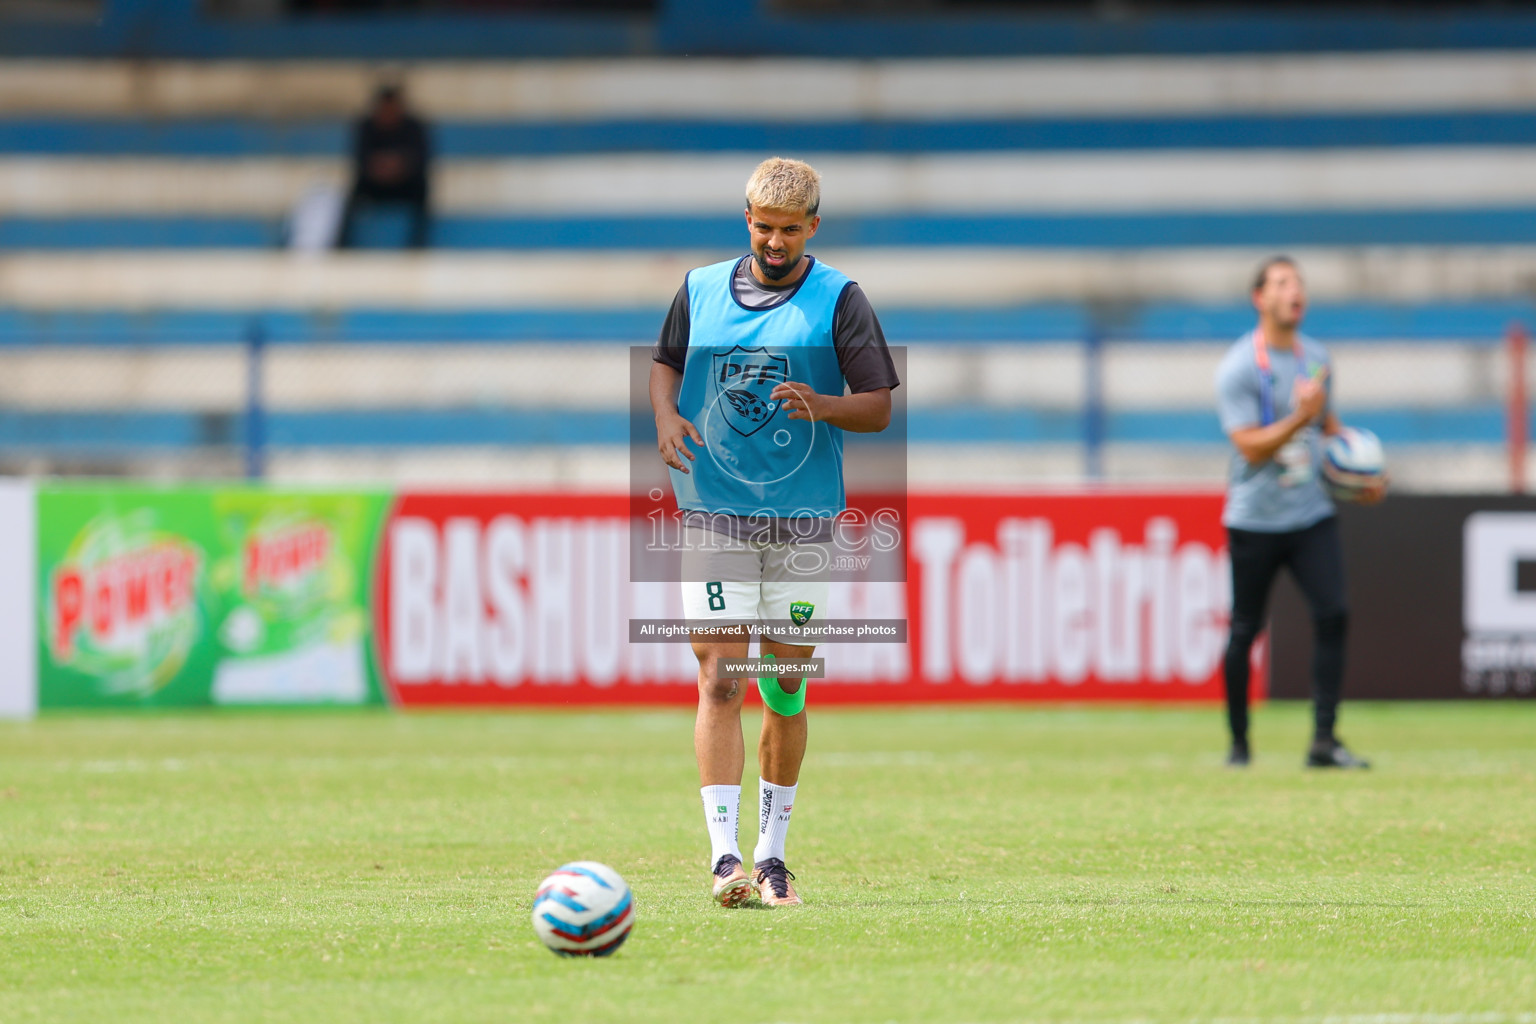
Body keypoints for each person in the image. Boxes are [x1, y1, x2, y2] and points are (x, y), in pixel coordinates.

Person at [650, 158, 900, 907]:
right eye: (764, 227)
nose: (776, 241)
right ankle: (726, 858)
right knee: (722, 676)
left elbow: (880, 405)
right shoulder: (698, 289)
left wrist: (823, 405)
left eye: (791, 230)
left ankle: (773, 854)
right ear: (748, 220)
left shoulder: (840, 300)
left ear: (812, 228)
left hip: (802, 519)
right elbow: (665, 364)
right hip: (716, 509)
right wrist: (666, 418)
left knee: (785, 684)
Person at [1216, 255, 1385, 770]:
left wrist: (1363, 473)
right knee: (1246, 629)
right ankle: (1240, 745)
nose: (1296, 291)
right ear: (1259, 298)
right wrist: (1299, 419)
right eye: (1283, 282)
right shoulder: (1241, 366)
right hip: (1255, 518)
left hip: (1310, 512)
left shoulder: (1316, 357)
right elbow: (1250, 447)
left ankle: (1323, 742)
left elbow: (1326, 424)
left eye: (1300, 283)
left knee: (1333, 614)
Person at [338, 83, 431, 249]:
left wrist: (399, 167)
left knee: (423, 190)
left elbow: (420, 160)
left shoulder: (413, 127)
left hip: (405, 185)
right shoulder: (366, 127)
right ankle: (342, 246)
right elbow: (360, 160)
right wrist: (381, 168)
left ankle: (417, 247)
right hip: (374, 186)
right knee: (349, 196)